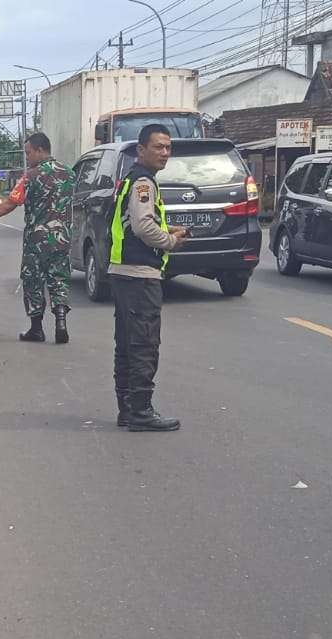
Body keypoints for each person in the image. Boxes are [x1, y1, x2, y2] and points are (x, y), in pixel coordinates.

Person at [109, 123, 189, 432]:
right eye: (158, 147)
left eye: (168, 147)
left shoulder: (131, 179)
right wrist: (169, 241)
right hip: (139, 275)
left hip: (123, 272)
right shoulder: (144, 182)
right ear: (141, 149)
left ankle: (128, 409)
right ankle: (141, 411)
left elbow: (134, 225)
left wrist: (166, 231)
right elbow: (143, 227)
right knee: (143, 345)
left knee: (127, 346)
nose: (164, 153)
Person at [0, 133, 77, 343]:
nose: (27, 158)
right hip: (62, 238)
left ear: (40, 150)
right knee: (59, 279)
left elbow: (9, 205)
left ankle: (37, 329)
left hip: (37, 240)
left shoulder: (31, 176)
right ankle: (61, 321)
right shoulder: (70, 174)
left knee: (33, 281)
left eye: (28, 153)